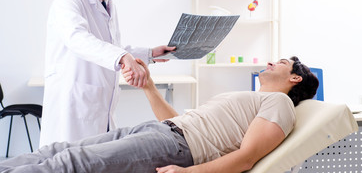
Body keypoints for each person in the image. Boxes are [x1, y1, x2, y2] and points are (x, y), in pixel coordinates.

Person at [0, 56, 319, 173]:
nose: (272, 62)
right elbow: (182, 121)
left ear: (295, 79)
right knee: (57, 151)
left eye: (282, 63)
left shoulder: (281, 104)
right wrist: (150, 87)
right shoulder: (251, 98)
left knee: (71, 164)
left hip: (177, 148)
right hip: (165, 131)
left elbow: (248, 157)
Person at [40, 0, 175, 147]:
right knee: (67, 163)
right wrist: (122, 58)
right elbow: (77, 38)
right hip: (73, 105)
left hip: (99, 107)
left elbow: (110, 46)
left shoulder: (107, 4)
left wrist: (150, 53)